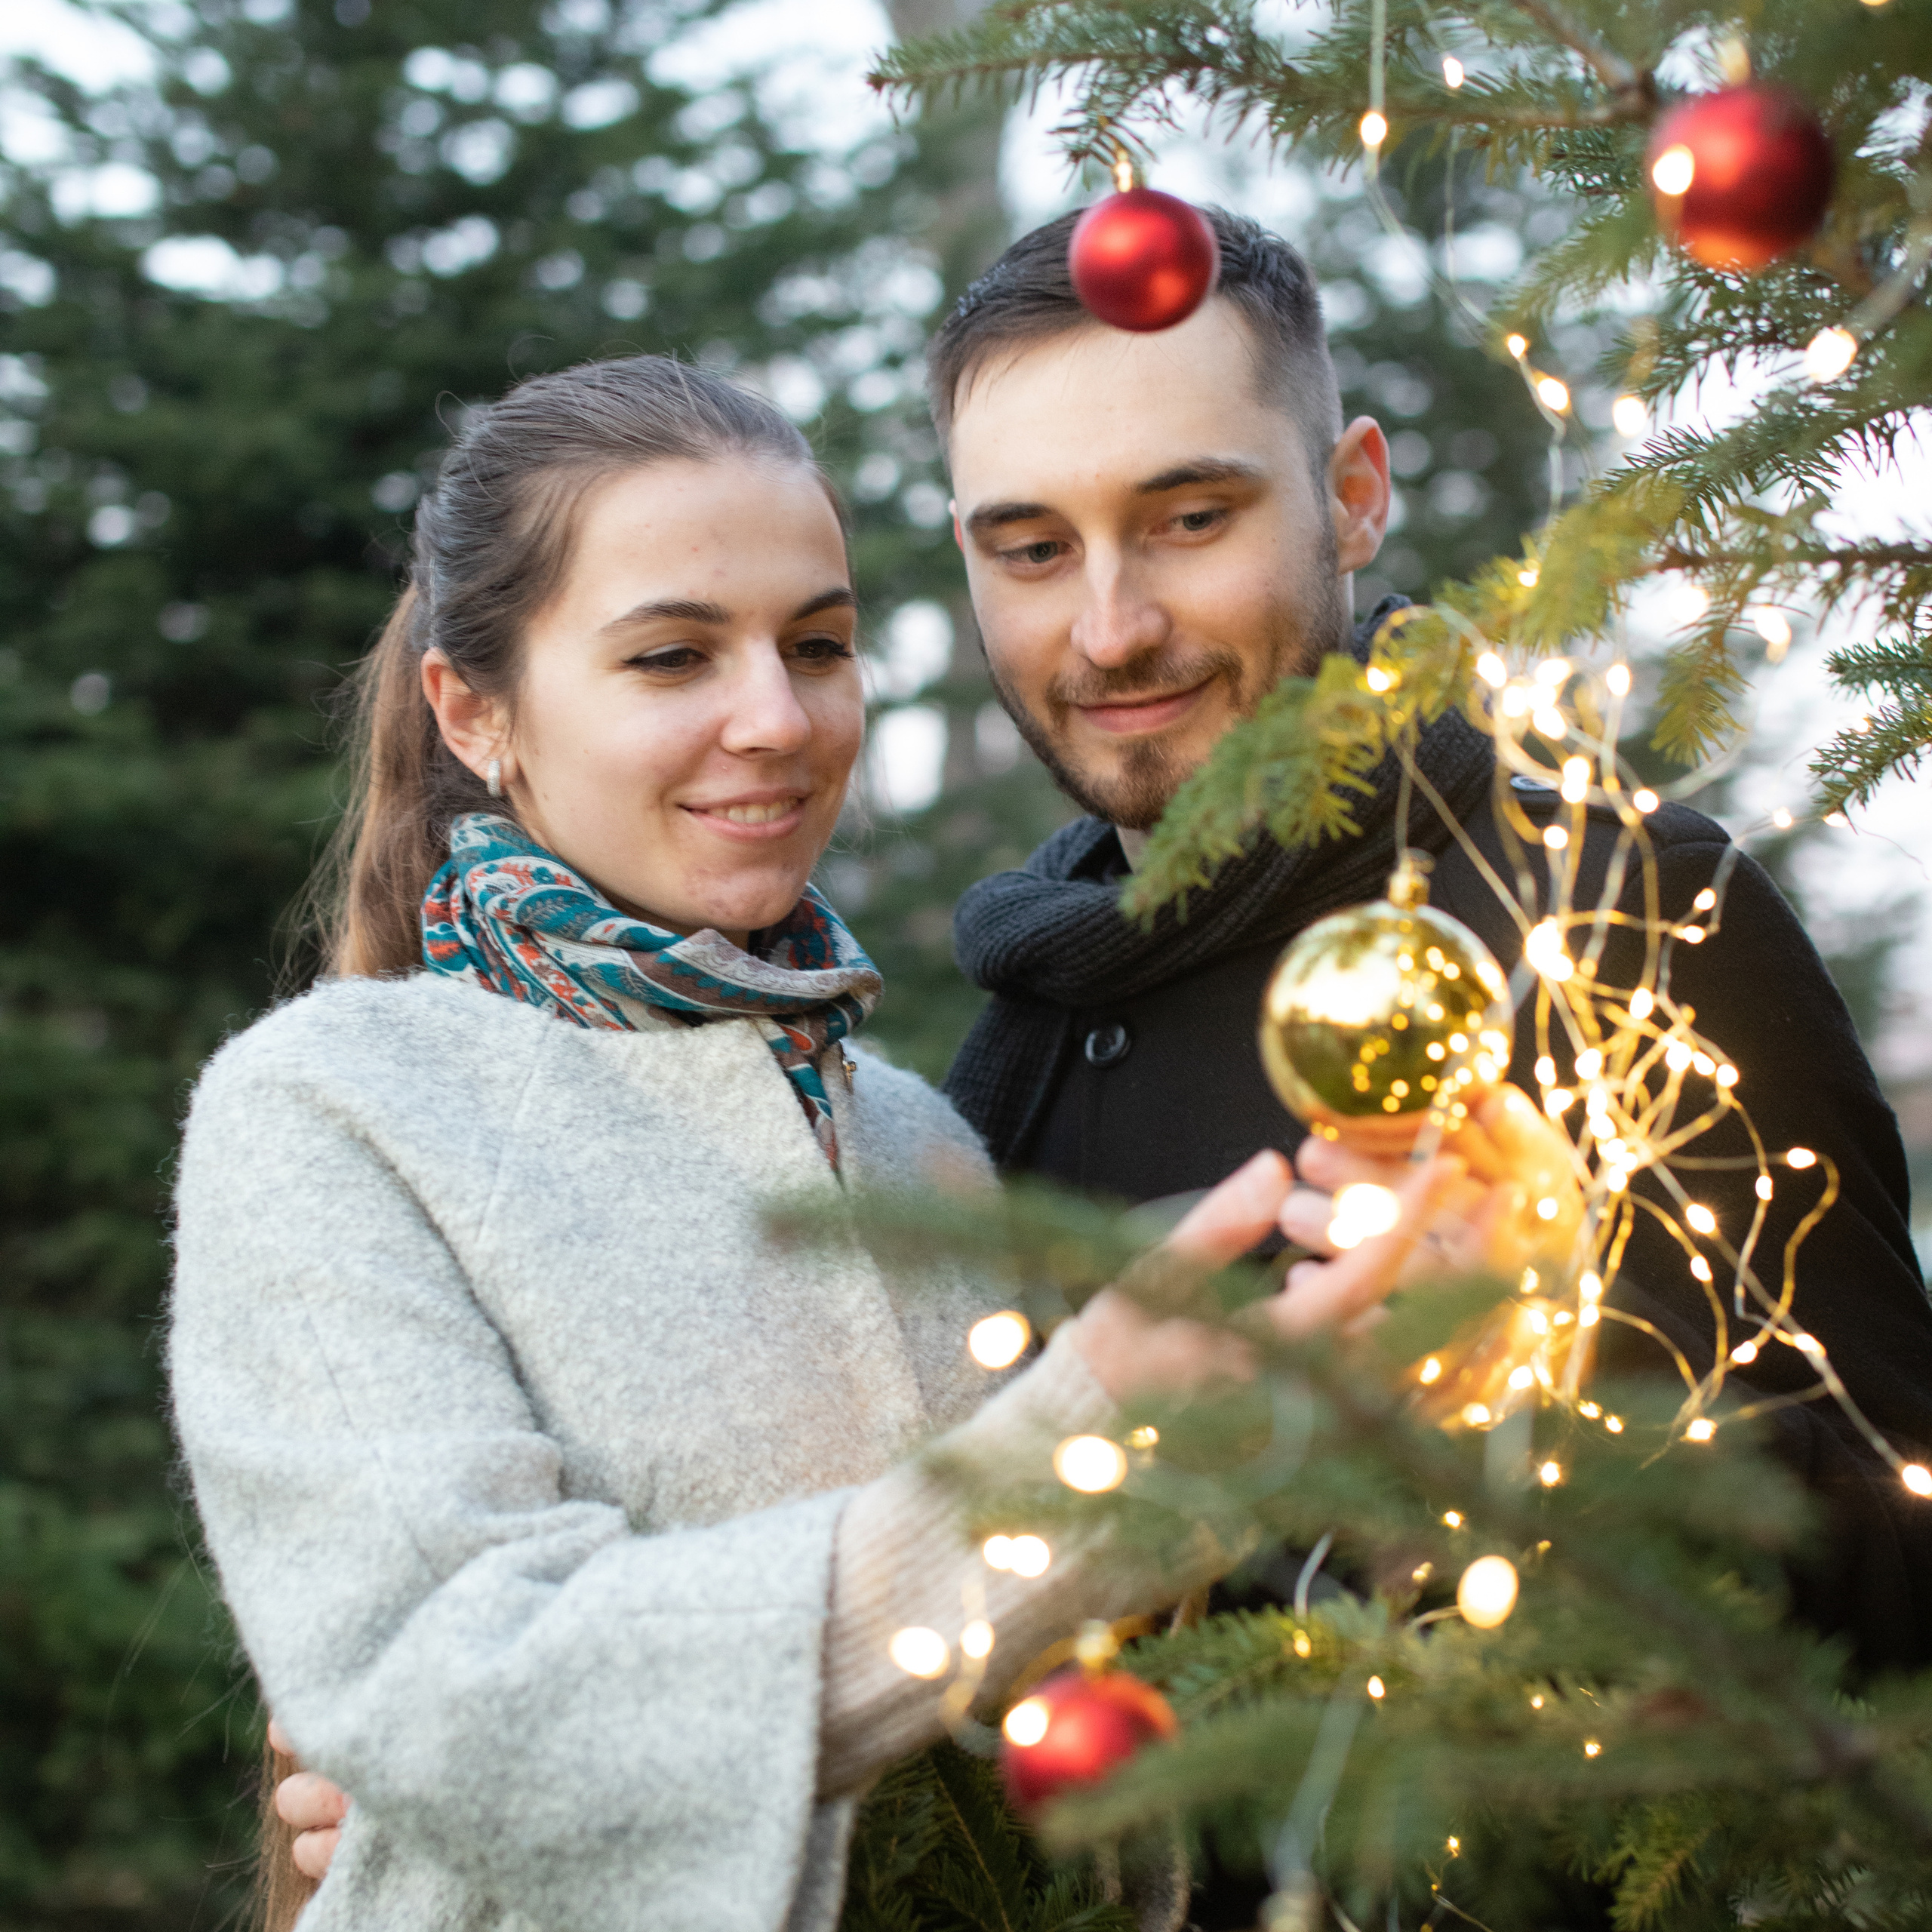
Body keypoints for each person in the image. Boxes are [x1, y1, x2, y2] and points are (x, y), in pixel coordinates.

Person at [171, 352, 1502, 1932]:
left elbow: (1079, 1692)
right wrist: (1073, 1455)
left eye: (817, 645)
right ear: (475, 712)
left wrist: (1357, 1394)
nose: (776, 719)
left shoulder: (916, 1139)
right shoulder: (335, 1109)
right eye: (673, 656)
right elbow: (457, 1691)